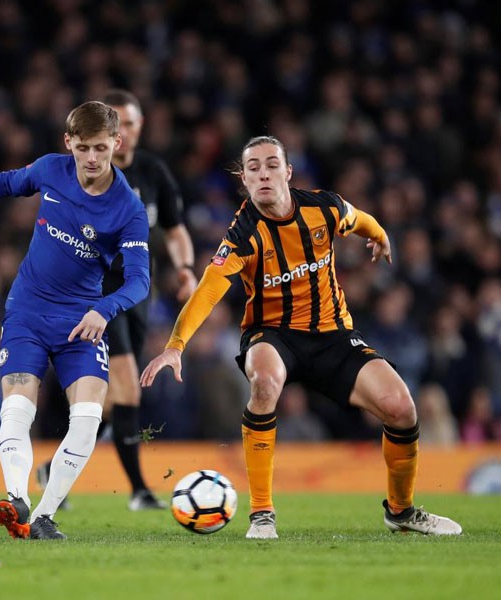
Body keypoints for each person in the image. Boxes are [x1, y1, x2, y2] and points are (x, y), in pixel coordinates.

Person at [140, 135, 462, 538]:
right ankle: (261, 514)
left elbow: (358, 218)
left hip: (333, 335)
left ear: (288, 172)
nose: (263, 173)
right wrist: (175, 346)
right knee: (264, 379)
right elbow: (208, 290)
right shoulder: (243, 233)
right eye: (253, 167)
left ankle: (401, 511)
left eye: (271, 164)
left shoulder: (321, 207)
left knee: (402, 409)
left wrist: (379, 234)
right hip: (272, 334)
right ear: (244, 179)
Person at [0, 101, 151, 539]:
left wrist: (102, 310)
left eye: (101, 148)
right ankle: (16, 498)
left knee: (86, 417)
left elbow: (140, 282)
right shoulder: (50, 169)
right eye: (82, 147)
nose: (91, 158)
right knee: (17, 409)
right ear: (69, 143)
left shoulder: (128, 210)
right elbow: (5, 183)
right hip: (26, 312)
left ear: (116, 144)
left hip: (81, 322)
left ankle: (44, 516)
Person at [35, 89, 197, 511]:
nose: (123, 131)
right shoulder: (84, 176)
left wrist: (184, 268)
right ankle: (140, 490)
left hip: (137, 294)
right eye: (116, 123)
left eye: (130, 124)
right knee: (127, 389)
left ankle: (55, 469)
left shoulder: (154, 172)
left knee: (112, 400)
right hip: (97, 292)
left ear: (135, 131)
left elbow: (176, 229)